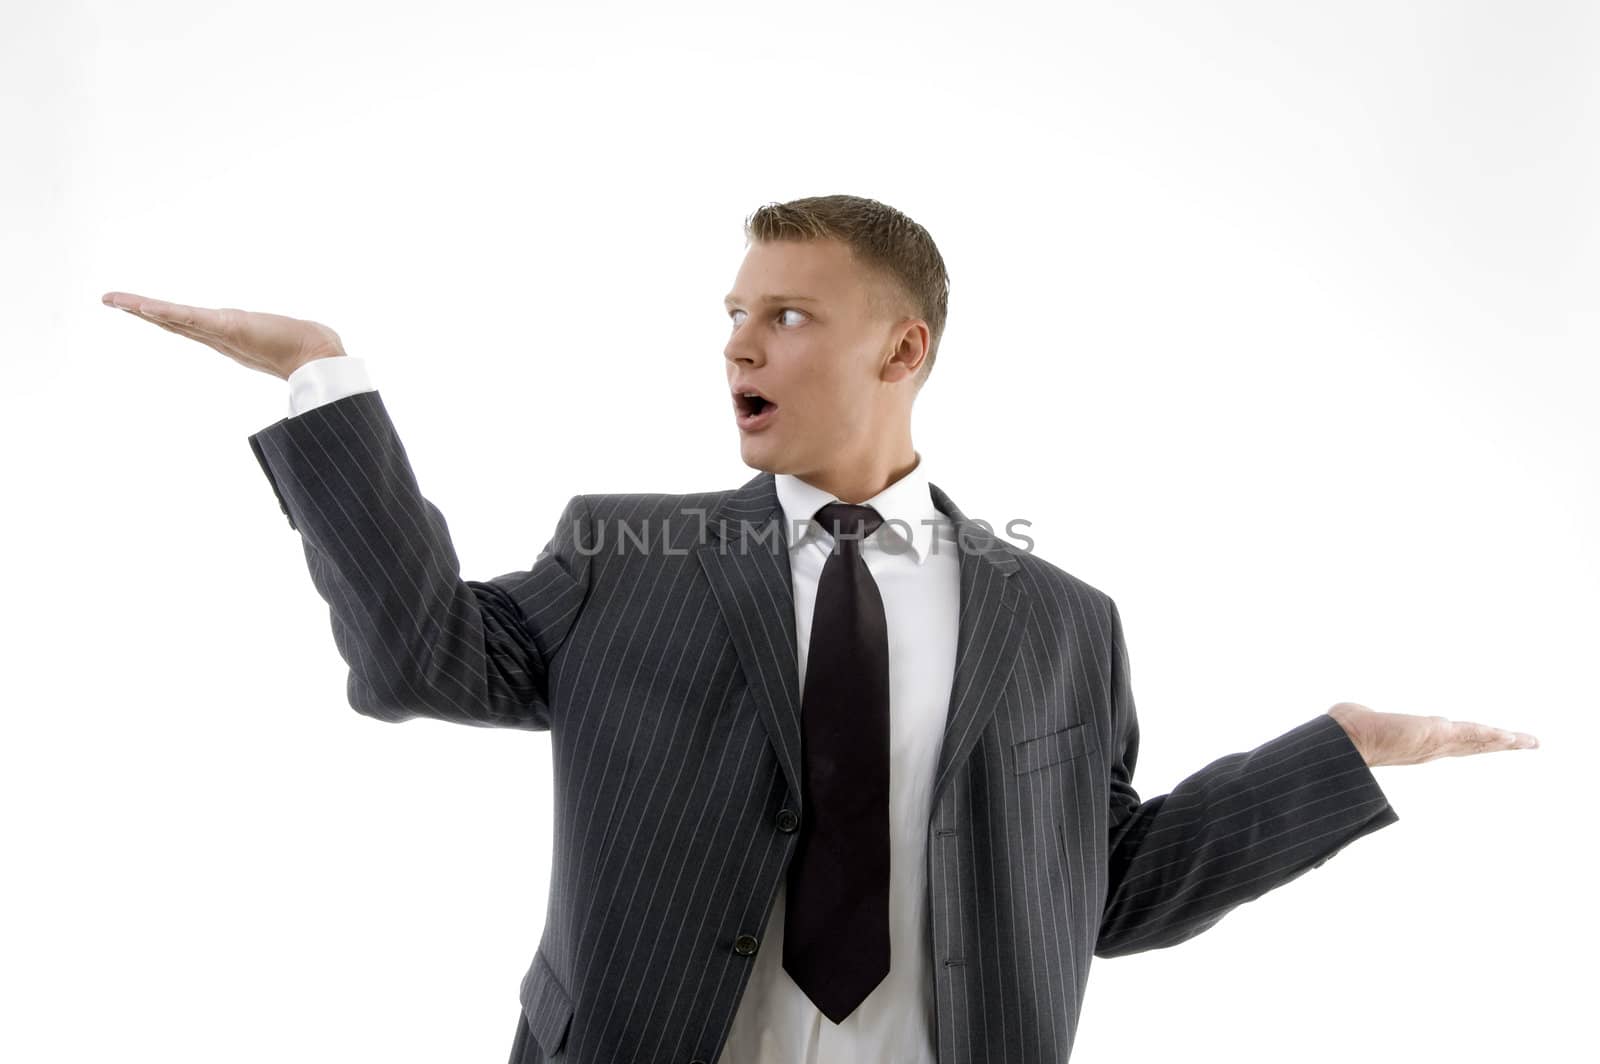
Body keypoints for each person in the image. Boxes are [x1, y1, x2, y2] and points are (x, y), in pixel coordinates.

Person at [102, 193, 1538, 1064]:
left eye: (786, 314)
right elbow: (422, 661)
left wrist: (1340, 754)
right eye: (732, 311)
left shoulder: (1062, 625)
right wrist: (322, 384)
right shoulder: (626, 553)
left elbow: (1104, 895)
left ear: (902, 350)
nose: (737, 343)